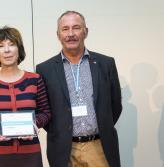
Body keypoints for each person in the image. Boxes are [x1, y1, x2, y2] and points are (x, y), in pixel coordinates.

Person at [36, 11, 122, 167]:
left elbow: (115, 106)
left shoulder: (106, 64)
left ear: (86, 32)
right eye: (65, 29)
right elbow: (44, 110)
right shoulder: (45, 69)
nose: (70, 34)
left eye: (76, 28)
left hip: (99, 147)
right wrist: (61, 132)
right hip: (64, 150)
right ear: (58, 34)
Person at [0, 26, 51, 167]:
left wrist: (34, 124)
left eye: (12, 44)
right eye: (1, 46)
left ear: (19, 49)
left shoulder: (35, 79)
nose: (7, 50)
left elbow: (45, 112)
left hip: (30, 153)